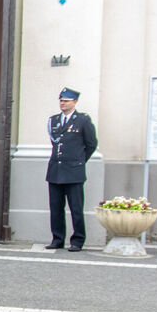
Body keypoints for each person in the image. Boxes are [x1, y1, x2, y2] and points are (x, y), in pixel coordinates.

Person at [46, 87, 97, 252]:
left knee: (76, 208)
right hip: (55, 170)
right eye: (61, 100)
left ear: (74, 102)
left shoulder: (82, 120)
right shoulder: (53, 120)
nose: (62, 103)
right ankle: (57, 239)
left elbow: (91, 144)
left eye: (66, 100)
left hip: (74, 172)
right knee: (55, 208)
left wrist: (79, 161)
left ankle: (77, 240)